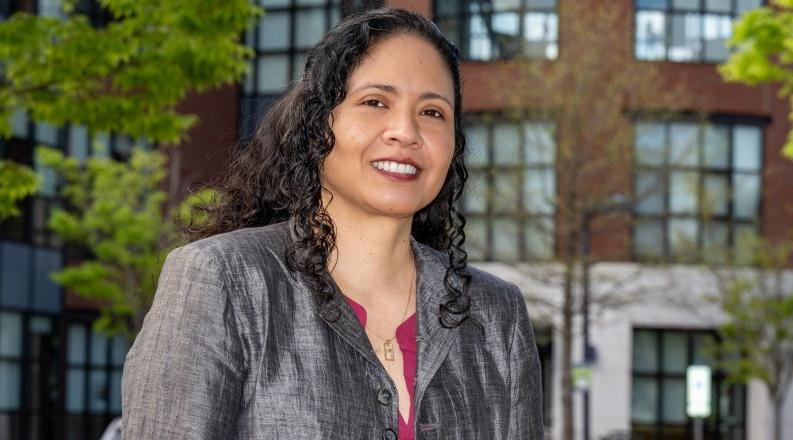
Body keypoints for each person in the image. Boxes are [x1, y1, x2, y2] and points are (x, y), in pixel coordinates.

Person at [121, 7, 543, 440]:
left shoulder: (497, 313)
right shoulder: (223, 280)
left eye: (433, 112)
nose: (405, 131)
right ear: (317, 125)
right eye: (374, 102)